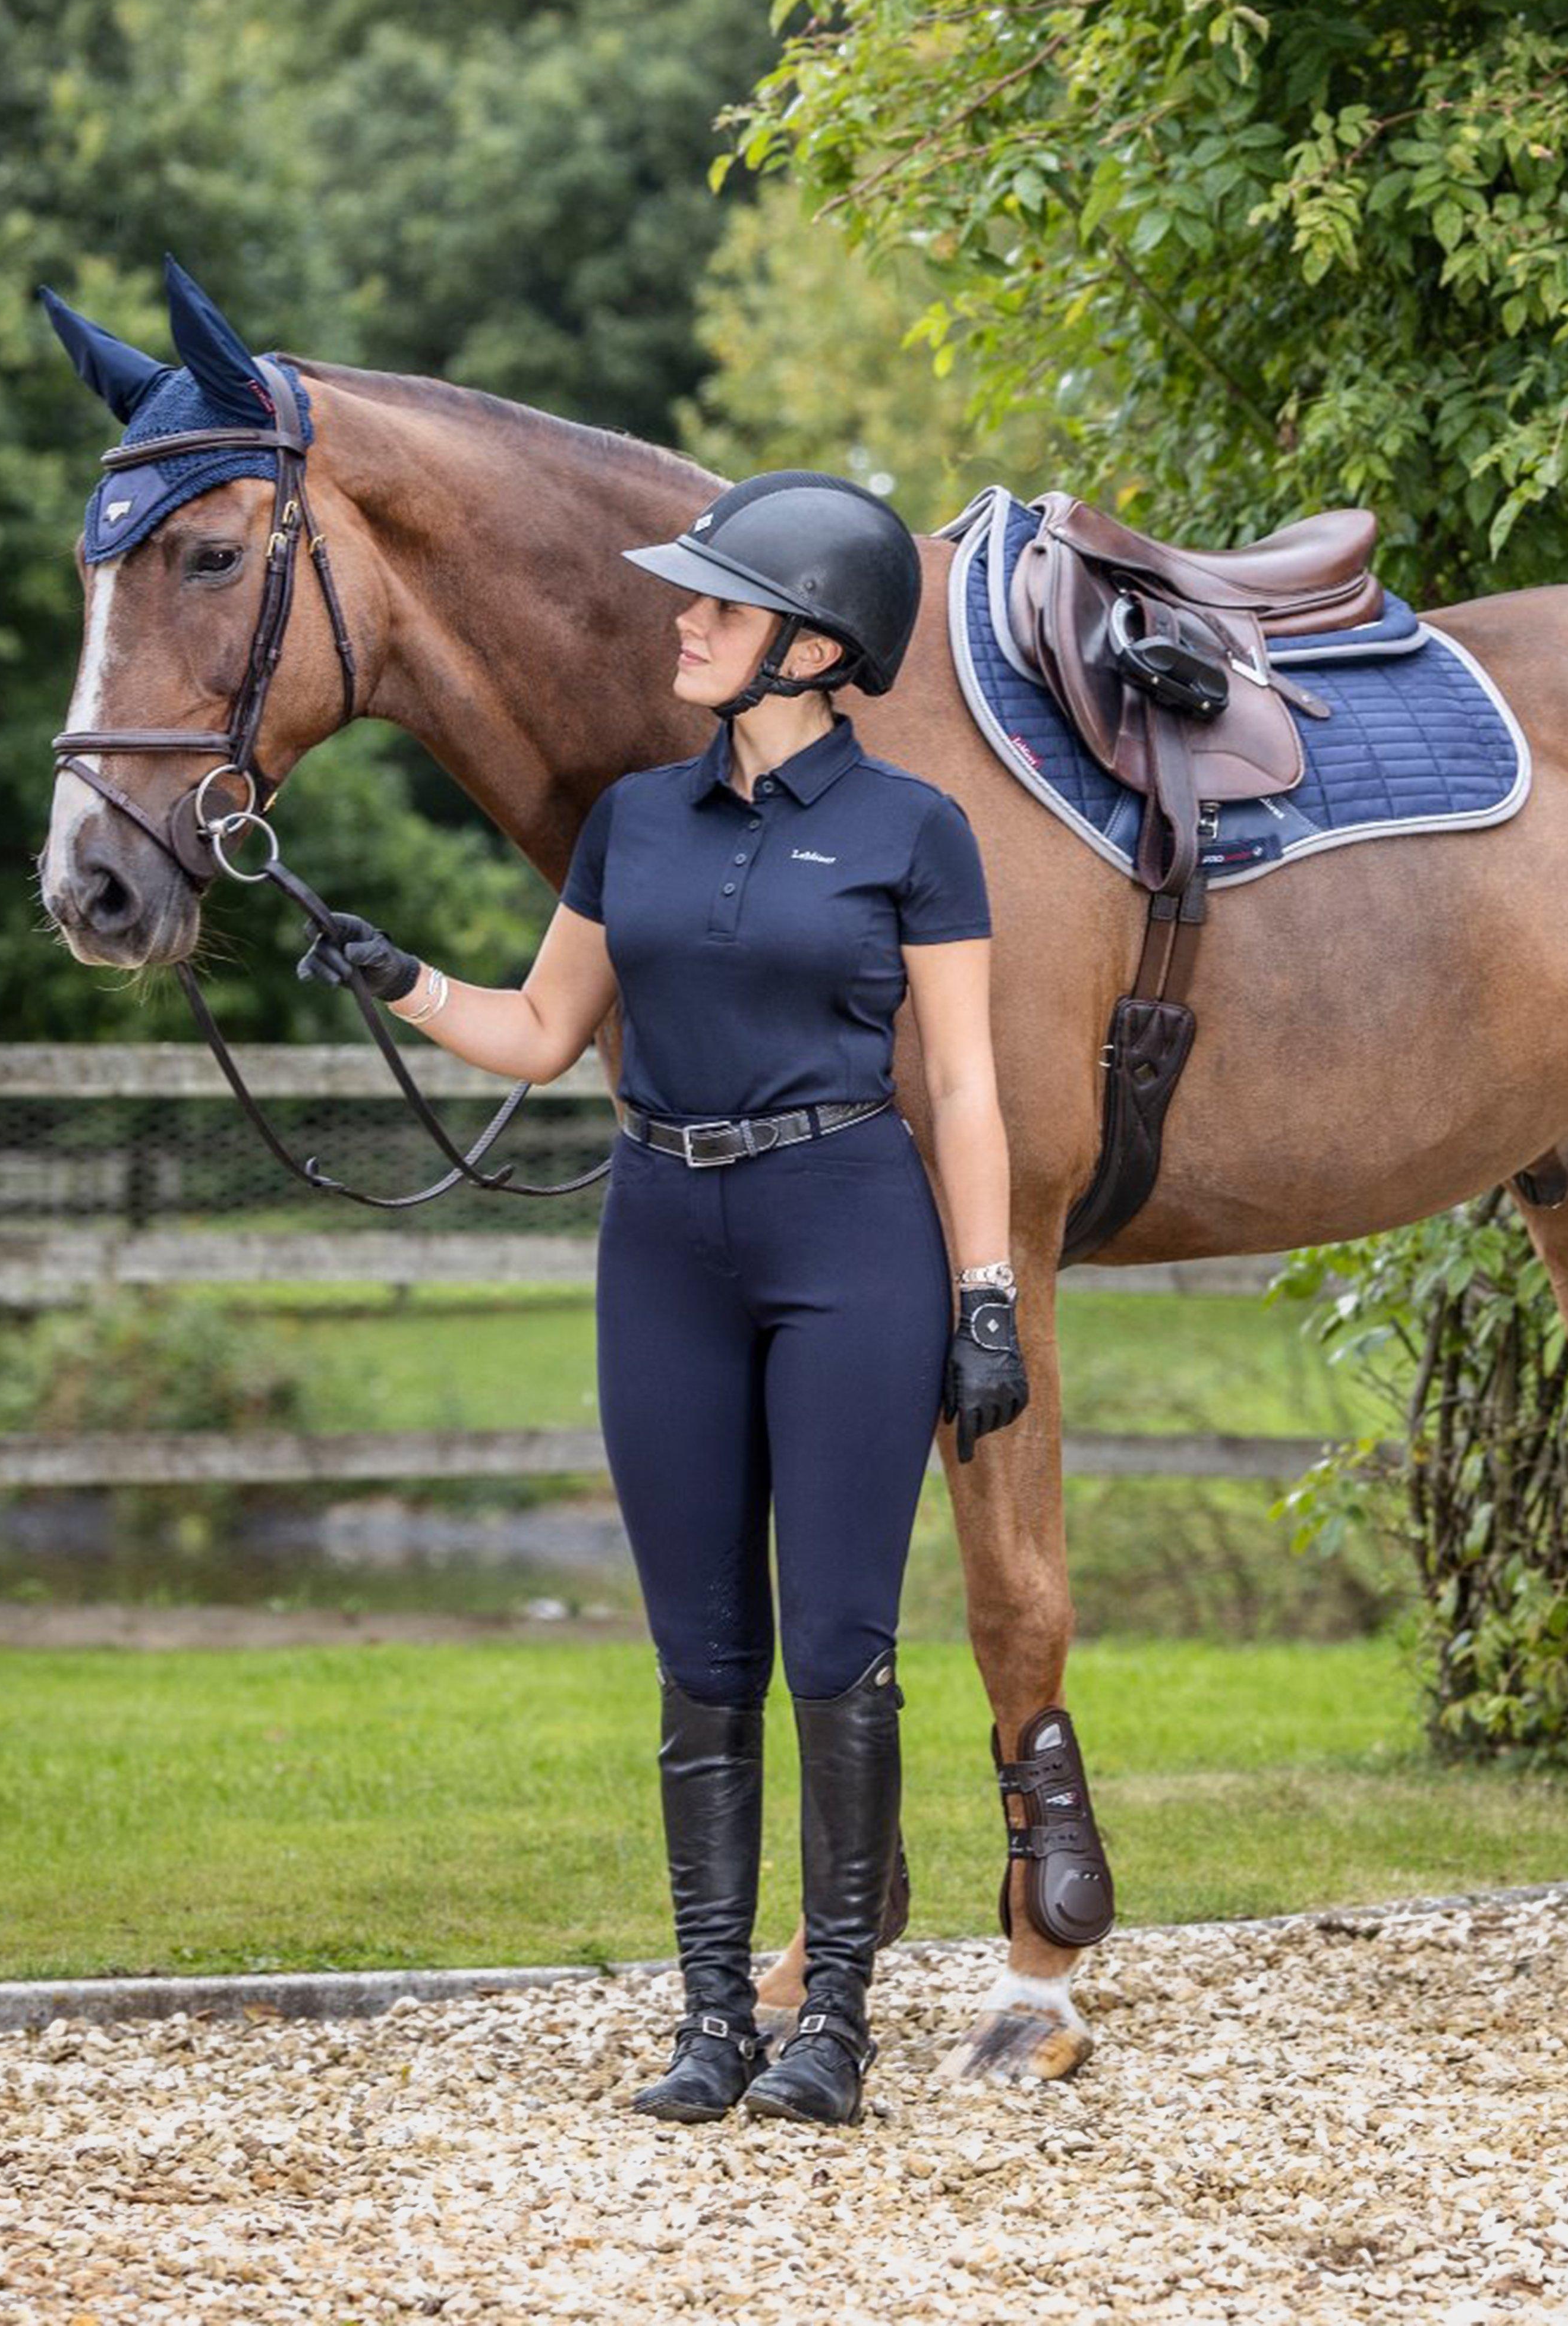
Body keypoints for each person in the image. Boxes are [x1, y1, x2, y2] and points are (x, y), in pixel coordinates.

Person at [296, 470, 1031, 2127]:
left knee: (839, 1643)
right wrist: (399, 976)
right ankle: (713, 2020)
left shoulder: (917, 831)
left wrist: (985, 1298)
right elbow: (543, 1032)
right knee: (701, 1651)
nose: (680, 620)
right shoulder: (637, 818)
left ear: (814, 644)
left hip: (848, 1232)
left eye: (716, 602)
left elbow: (969, 1087)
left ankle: (832, 2020)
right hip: (660, 1242)